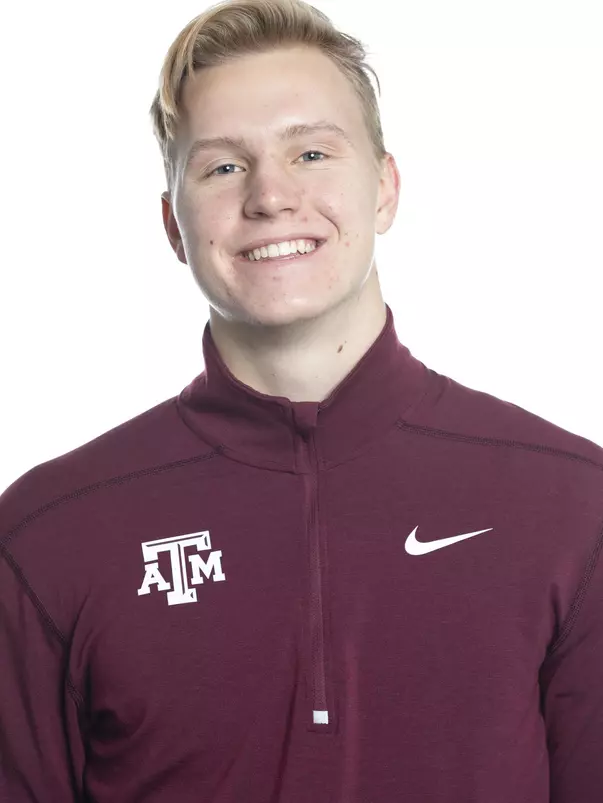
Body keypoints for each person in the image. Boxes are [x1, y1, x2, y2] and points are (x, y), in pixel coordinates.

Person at [1, 0, 602, 800]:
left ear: (384, 188)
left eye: (312, 152)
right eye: (221, 166)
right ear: (173, 227)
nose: (271, 197)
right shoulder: (50, 531)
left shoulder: (571, 500)